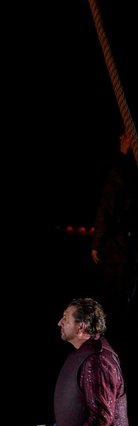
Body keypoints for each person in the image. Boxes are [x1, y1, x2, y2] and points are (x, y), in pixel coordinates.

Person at [48, 297, 134, 426]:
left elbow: (102, 417)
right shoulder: (86, 355)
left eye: (65, 318)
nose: (59, 322)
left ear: (81, 326)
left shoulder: (97, 360)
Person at [90, 131, 138, 346]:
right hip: (130, 249)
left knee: (110, 302)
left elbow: (107, 204)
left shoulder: (121, 171)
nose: (120, 139)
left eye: (124, 136)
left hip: (118, 248)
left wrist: (97, 242)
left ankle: (107, 345)